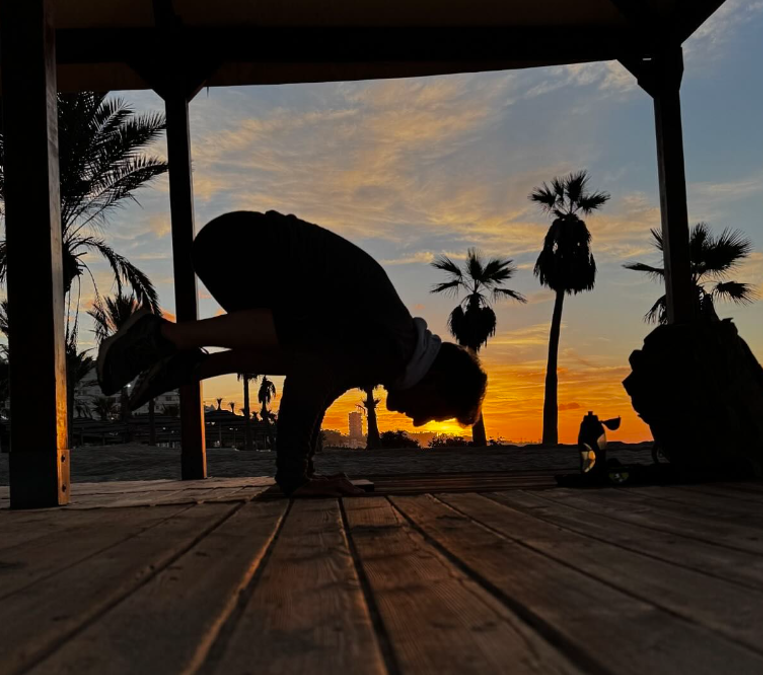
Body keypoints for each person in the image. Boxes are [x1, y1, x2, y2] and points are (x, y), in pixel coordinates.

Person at [97, 210, 488, 496]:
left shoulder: (391, 344)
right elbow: (308, 393)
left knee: (305, 350)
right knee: (308, 352)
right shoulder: (389, 347)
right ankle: (165, 336)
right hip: (237, 245)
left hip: (230, 243)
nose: (420, 423)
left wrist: (304, 474)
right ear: (435, 380)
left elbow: (312, 378)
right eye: (434, 412)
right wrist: (295, 479)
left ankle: (195, 363)